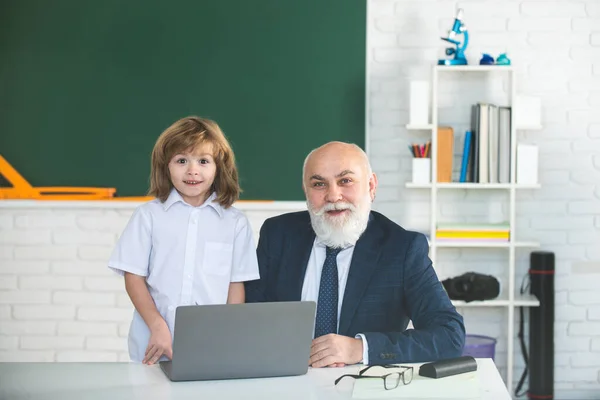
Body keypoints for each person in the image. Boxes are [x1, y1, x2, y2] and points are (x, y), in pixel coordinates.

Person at [245, 141, 465, 368]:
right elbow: (249, 318)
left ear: (371, 186)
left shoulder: (403, 248)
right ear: (306, 191)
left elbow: (449, 335)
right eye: (319, 184)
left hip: (363, 386)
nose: (333, 195)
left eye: (345, 181)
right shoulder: (277, 235)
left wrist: (360, 348)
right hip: (285, 382)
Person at [108, 116, 260, 365]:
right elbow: (133, 277)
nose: (192, 170)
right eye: (181, 160)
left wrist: (229, 334)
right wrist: (157, 326)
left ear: (219, 166)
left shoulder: (235, 223)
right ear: (165, 166)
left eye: (203, 161)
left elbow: (235, 285)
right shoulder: (149, 216)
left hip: (212, 345)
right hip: (153, 342)